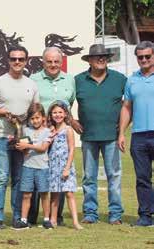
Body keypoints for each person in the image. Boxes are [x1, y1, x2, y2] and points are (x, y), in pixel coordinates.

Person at [0, 45, 39, 229]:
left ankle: (16, 216)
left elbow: (35, 110)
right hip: (1, 135)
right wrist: (1, 112)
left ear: (26, 61)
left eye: (20, 59)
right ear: (8, 60)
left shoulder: (31, 84)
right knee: (1, 177)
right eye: (13, 59)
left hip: (22, 137)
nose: (17, 62)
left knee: (19, 178)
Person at [75, 44, 126, 225]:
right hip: (88, 136)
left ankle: (115, 214)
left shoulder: (120, 80)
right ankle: (90, 213)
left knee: (114, 176)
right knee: (89, 176)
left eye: (104, 56)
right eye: (97, 57)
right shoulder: (78, 80)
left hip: (112, 136)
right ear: (89, 60)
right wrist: (71, 121)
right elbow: (64, 102)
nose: (101, 59)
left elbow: (128, 106)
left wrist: (123, 129)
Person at [29, 46, 77, 226]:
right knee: (37, 172)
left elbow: (69, 103)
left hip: (60, 134)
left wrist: (59, 122)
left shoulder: (70, 79)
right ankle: (33, 215)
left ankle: (57, 216)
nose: (53, 64)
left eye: (56, 61)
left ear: (61, 62)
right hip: (40, 133)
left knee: (59, 173)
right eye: (49, 61)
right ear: (43, 62)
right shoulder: (34, 79)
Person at [118, 41, 154, 227]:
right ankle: (145, 216)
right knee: (142, 178)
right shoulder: (131, 80)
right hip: (139, 136)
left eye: (148, 56)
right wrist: (122, 133)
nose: (144, 60)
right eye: (141, 57)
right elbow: (126, 108)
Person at [13, 103, 52, 230]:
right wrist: (19, 146)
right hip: (27, 167)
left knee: (44, 194)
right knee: (26, 194)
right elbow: (23, 149)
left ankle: (47, 219)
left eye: (37, 117)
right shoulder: (25, 130)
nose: (35, 121)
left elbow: (43, 148)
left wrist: (28, 146)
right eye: (32, 118)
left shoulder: (48, 132)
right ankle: (24, 220)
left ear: (43, 118)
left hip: (42, 168)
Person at [47, 101, 82, 230]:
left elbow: (72, 149)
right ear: (50, 115)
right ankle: (53, 220)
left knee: (69, 194)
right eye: (55, 112)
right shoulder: (50, 130)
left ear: (65, 114)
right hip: (53, 166)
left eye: (60, 112)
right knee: (55, 194)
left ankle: (75, 222)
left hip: (65, 166)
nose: (57, 115)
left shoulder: (68, 130)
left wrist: (67, 168)